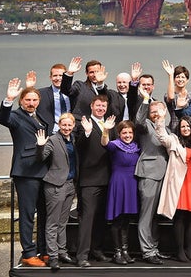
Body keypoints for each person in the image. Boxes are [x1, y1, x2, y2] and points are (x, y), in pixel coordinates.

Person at [0, 78, 49, 267]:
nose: (31, 103)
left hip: (44, 170)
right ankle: (29, 253)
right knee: (28, 215)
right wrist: (8, 100)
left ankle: (44, 250)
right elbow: (3, 119)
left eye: (34, 100)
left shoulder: (39, 116)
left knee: (44, 214)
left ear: (38, 101)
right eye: (27, 100)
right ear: (21, 101)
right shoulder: (16, 116)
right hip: (26, 173)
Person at [157, 115, 191, 262]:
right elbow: (162, 136)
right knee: (180, 217)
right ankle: (179, 251)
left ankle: (189, 250)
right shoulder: (174, 140)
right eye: (182, 126)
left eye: (187, 126)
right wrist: (160, 120)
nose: (185, 129)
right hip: (180, 181)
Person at [74, 94, 113, 267]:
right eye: (98, 106)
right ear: (92, 106)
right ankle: (82, 255)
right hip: (89, 179)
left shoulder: (110, 125)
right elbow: (79, 146)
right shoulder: (85, 124)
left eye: (103, 106)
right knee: (87, 218)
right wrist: (88, 132)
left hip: (108, 178)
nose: (101, 109)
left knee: (100, 218)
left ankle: (97, 250)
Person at [35, 112, 78, 270]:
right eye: (64, 125)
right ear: (59, 125)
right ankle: (52, 255)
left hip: (69, 185)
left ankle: (62, 252)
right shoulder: (53, 140)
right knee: (52, 223)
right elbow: (41, 158)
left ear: (73, 126)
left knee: (63, 222)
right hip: (55, 185)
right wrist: (40, 146)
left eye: (69, 125)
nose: (66, 128)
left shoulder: (73, 139)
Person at [133, 97, 170, 264]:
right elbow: (139, 120)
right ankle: (147, 252)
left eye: (159, 111)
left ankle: (154, 248)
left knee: (155, 216)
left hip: (164, 175)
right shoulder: (145, 126)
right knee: (146, 215)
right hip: (148, 174)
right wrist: (146, 100)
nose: (156, 114)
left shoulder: (167, 129)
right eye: (153, 111)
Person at [101, 119, 140, 265]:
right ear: (119, 133)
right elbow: (104, 143)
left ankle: (125, 251)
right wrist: (105, 130)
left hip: (132, 184)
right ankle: (117, 253)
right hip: (118, 183)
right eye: (124, 132)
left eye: (130, 132)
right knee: (117, 219)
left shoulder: (136, 147)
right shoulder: (115, 145)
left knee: (126, 220)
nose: (128, 135)